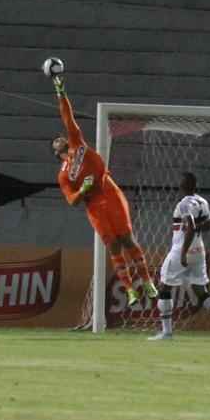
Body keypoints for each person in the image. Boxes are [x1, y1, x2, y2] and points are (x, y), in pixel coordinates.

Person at [48, 71, 157, 306]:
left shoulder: (77, 144)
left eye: (59, 139)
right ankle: (130, 290)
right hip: (94, 204)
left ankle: (147, 281)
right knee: (113, 244)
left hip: (108, 189)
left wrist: (60, 91)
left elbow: (67, 117)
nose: (59, 141)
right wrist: (83, 190)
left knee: (128, 238)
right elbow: (72, 201)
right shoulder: (63, 175)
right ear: (56, 154)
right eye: (55, 144)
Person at [151, 172, 210, 342]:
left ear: (182, 187)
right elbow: (208, 225)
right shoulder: (203, 202)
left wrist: (183, 252)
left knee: (164, 287)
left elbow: (189, 226)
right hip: (199, 251)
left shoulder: (183, 204)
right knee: (201, 291)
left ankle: (167, 333)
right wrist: (196, 229)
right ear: (195, 187)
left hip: (182, 249)